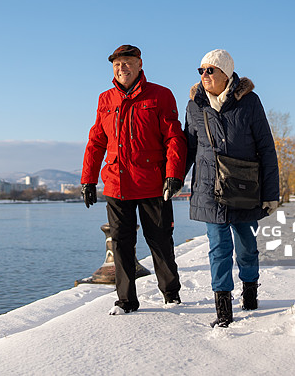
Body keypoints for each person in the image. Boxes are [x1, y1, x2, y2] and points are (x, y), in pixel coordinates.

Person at [81, 44, 187, 315]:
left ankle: (171, 293)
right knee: (121, 244)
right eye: (117, 64)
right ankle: (126, 301)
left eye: (127, 63)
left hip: (152, 182)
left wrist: (174, 175)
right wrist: (88, 180)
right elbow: (96, 141)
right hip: (116, 184)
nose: (122, 68)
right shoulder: (105, 99)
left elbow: (174, 137)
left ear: (140, 64)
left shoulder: (160, 95)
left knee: (160, 240)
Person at [183, 49, 279, 327]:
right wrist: (173, 178)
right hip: (208, 189)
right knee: (218, 248)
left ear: (226, 73)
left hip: (244, 187)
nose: (204, 76)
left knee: (247, 246)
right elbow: (189, 148)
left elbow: (266, 149)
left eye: (210, 70)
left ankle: (250, 291)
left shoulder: (249, 103)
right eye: (201, 71)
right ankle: (223, 308)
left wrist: (271, 194)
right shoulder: (194, 106)